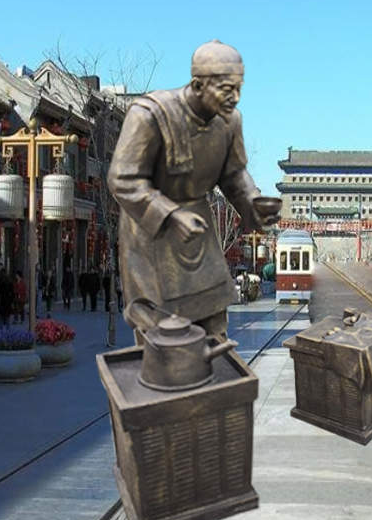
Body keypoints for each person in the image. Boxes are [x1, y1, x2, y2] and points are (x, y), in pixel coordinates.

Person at [108, 40, 280, 339]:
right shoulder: (150, 114)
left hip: (199, 232)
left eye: (238, 88)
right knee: (163, 337)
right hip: (152, 235)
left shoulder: (229, 122)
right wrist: (172, 216)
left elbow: (234, 174)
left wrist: (254, 205)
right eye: (226, 89)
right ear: (198, 85)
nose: (235, 98)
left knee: (214, 326)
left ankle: (216, 368)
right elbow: (123, 178)